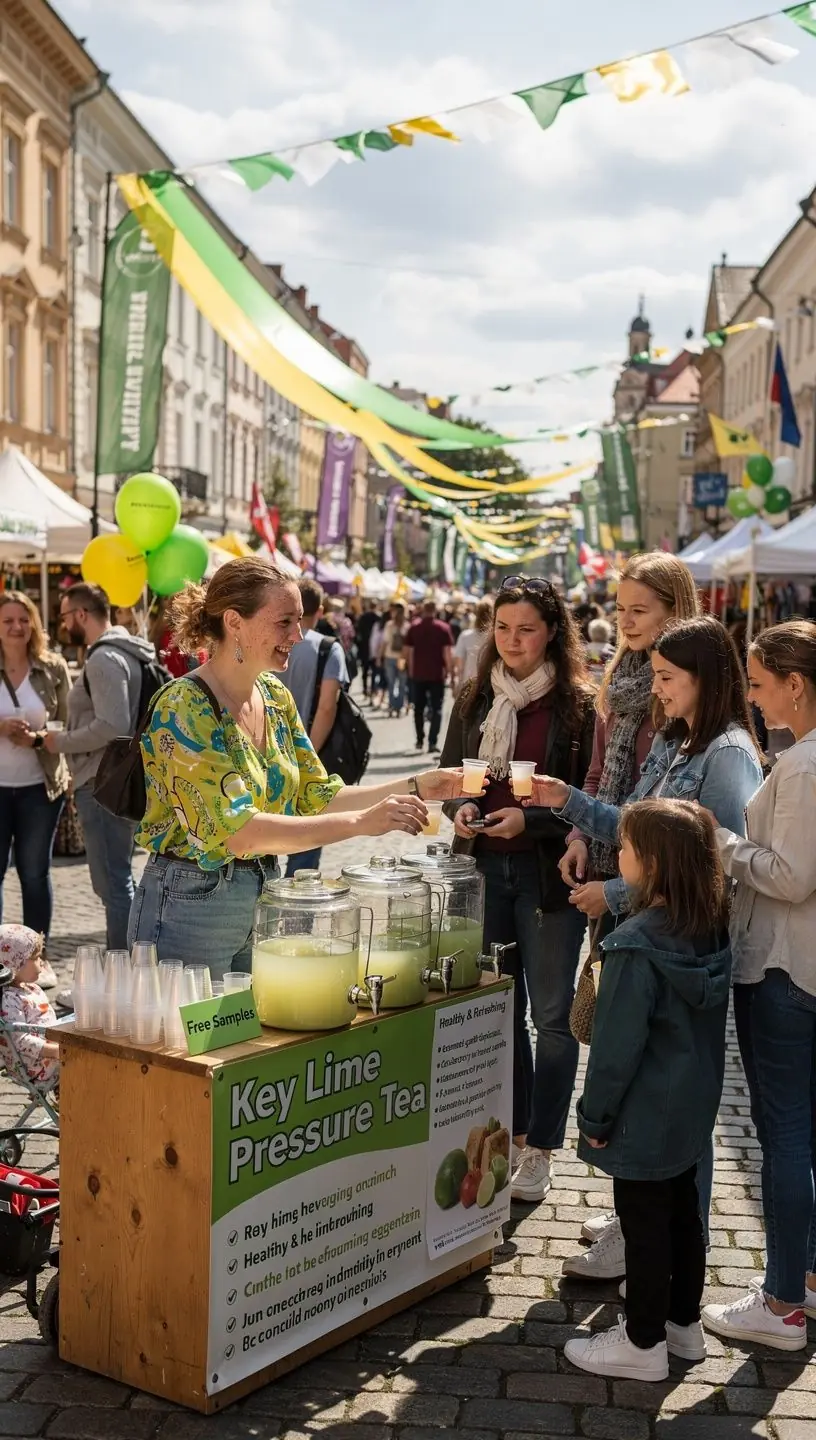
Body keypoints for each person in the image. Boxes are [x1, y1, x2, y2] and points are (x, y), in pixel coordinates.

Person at [535, 614, 762, 1278]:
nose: (656, 690)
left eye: (667, 678)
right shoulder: (674, 740)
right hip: (646, 941)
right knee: (641, 1088)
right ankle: (642, 1219)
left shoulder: (727, 755)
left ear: (706, 678)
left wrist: (618, 897)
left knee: (674, 1097)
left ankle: (668, 1242)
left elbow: (714, 867)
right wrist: (570, 802)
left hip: (681, 950)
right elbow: (637, 829)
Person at [130, 557, 466, 979]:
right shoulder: (183, 705)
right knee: (187, 1043)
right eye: (285, 622)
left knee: (253, 1039)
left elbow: (314, 794)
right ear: (235, 621)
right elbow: (237, 832)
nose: (298, 635)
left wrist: (418, 785)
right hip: (192, 903)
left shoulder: (273, 694)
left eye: (300, 621)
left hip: (266, 893)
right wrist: (362, 821)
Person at [440, 576, 596, 1203]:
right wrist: (458, 810)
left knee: (553, 1019)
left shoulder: (579, 705)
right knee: (499, 1011)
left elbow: (589, 797)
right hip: (483, 870)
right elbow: (451, 775)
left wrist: (528, 820)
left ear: (552, 631)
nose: (512, 640)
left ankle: (543, 1148)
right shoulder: (477, 697)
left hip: (547, 878)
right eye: (502, 628)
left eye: (526, 628)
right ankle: (514, 1129)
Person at [564, 800, 731, 1381]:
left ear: (653, 864)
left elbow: (615, 1051)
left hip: (642, 1111)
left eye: (628, 850)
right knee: (684, 1212)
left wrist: (594, 1118)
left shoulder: (634, 944)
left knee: (643, 1222)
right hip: (690, 1106)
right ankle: (684, 1326)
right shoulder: (708, 925)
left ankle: (642, 1343)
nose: (620, 857)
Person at [701, 621, 816, 1352]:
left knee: (786, 1137)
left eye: (761, 681)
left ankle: (780, 1302)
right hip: (797, 964)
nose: (751, 693)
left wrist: (723, 844)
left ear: (796, 685)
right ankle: (802, 1284)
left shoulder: (804, 763)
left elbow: (792, 875)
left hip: (784, 965)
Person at [560, 552, 701, 934]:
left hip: (667, 889)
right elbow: (598, 774)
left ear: (676, 611)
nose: (625, 621)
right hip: (609, 870)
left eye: (639, 609)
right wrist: (580, 838)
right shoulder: (617, 680)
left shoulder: (693, 689)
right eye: (620, 608)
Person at [47, 583, 157, 951]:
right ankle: (130, 963)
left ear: (81, 614)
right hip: (119, 781)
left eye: (64, 616)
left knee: (113, 884)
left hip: (103, 783)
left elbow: (112, 726)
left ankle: (122, 969)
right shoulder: (127, 651)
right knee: (118, 878)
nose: (63, 624)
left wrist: (59, 742)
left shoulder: (104, 658)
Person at [0, 592, 70, 983]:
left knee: (34, 873)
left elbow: (66, 723)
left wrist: (39, 737)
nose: (16, 627)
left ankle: (35, 960)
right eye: (8, 620)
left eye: (23, 619)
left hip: (38, 788)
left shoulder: (52, 667)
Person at [279, 577, 349, 875]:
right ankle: (296, 912)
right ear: (320, 610)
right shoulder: (328, 648)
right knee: (305, 844)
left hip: (261, 752)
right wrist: (309, 754)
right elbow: (326, 707)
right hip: (307, 749)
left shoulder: (268, 640)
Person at [0, 924, 60, 1090]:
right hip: (35, 1065)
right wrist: (56, 1051)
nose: (41, 963)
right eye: (35, 958)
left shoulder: (31, 988)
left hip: (49, 1054)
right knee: (87, 1061)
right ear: (14, 963)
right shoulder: (9, 1000)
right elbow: (20, 1041)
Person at [405, 599, 454, 754]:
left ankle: (420, 739)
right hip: (436, 674)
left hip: (418, 673)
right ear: (435, 610)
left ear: (423, 609)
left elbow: (408, 652)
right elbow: (447, 653)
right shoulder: (443, 628)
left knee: (418, 708)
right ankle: (432, 742)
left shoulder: (414, 627)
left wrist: (410, 670)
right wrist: (450, 672)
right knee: (437, 708)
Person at [453, 599, 493, 692]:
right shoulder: (495, 637)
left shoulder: (465, 636)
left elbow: (460, 665)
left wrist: (457, 683)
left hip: (468, 686)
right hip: (490, 687)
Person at [381, 603, 408, 717]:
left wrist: (380, 656)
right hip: (402, 659)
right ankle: (399, 706)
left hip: (390, 657)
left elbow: (385, 642)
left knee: (391, 684)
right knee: (402, 684)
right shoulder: (407, 626)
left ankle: (392, 705)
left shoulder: (389, 625)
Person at [355, 602, 380, 698]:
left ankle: (365, 688)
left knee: (365, 669)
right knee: (374, 670)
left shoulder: (363, 617)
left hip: (364, 647)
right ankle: (373, 688)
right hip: (374, 648)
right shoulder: (378, 617)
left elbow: (358, 631)